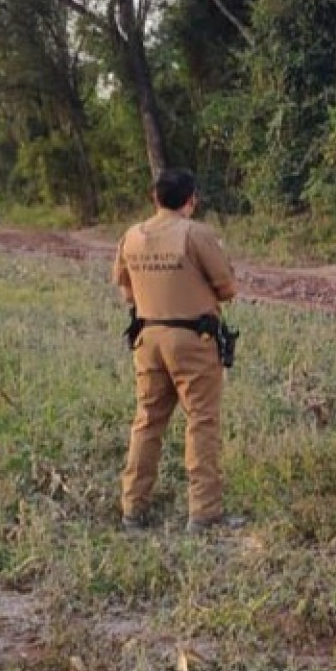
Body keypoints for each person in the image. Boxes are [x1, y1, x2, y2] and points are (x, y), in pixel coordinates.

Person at [113, 168, 242, 533]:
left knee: (147, 422)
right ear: (191, 200)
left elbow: (126, 291)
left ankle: (133, 510)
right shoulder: (195, 234)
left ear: (155, 198)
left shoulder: (132, 236)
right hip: (192, 341)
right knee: (201, 421)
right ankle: (204, 513)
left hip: (147, 338)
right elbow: (227, 288)